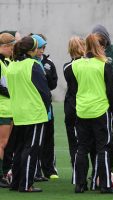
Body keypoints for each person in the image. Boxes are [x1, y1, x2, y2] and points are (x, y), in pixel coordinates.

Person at [72, 33, 113, 194]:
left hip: (82, 110)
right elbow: (111, 91)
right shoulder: (104, 64)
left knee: (82, 148)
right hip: (100, 110)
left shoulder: (76, 65)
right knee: (103, 147)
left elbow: (74, 87)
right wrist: (112, 109)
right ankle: (105, 185)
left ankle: (79, 184)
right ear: (99, 47)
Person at [7, 36, 51, 192]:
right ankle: (26, 185)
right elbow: (44, 91)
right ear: (32, 50)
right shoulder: (33, 65)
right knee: (32, 149)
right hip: (34, 113)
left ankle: (16, 182)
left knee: (19, 150)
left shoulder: (12, 66)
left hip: (18, 113)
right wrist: (46, 108)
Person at [91, 25, 113, 175]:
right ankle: (96, 171)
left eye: (102, 41)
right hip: (92, 103)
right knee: (92, 138)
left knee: (109, 136)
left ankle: (108, 170)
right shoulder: (88, 53)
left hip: (108, 104)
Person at [31, 34, 58, 181]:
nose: (42, 50)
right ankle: (34, 171)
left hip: (46, 108)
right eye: (40, 47)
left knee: (48, 139)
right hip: (35, 108)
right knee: (34, 142)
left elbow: (53, 83)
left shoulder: (48, 63)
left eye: (43, 47)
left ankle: (49, 169)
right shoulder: (30, 64)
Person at [63, 36, 85, 169]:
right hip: (82, 106)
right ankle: (94, 175)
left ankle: (77, 174)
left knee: (74, 143)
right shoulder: (88, 66)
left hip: (71, 106)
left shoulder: (67, 66)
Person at [0, 33, 15, 188]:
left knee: (6, 144)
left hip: (8, 108)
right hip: (2, 109)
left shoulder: (6, 61)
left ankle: (4, 174)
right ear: (4, 46)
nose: (12, 50)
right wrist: (13, 93)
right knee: (2, 144)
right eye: (11, 47)